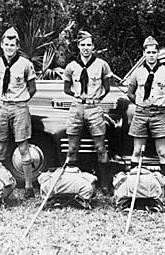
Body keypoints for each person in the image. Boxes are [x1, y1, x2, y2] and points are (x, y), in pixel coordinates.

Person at [126, 36, 165, 197]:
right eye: (148, 52)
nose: (151, 55)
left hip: (160, 114)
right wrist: (139, 102)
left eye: (154, 52)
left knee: (162, 152)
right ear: (144, 53)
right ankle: (132, 187)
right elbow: (130, 92)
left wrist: (164, 102)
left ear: (158, 54)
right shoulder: (138, 73)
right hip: (141, 113)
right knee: (137, 151)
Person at [63, 31, 115, 195]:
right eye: (83, 45)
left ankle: (105, 185)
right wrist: (76, 95)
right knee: (72, 148)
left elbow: (107, 88)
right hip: (77, 107)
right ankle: (71, 183)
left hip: (94, 108)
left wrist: (96, 99)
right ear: (78, 46)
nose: (86, 48)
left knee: (100, 147)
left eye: (89, 45)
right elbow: (66, 88)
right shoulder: (71, 66)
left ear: (93, 47)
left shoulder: (101, 65)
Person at [0, 27, 37, 198]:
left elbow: (32, 88)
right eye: (6, 44)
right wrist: (0, 97)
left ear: (17, 47)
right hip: (2, 106)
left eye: (12, 45)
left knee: (23, 147)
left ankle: (29, 187)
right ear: (1, 45)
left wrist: (21, 100)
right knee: (0, 148)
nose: (9, 48)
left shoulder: (25, 64)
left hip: (19, 107)